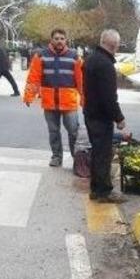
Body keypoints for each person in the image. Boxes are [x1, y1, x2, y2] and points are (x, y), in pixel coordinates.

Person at [24, 28, 84, 168]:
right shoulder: (41, 56)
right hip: (49, 102)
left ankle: (77, 158)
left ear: (66, 40)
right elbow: (34, 78)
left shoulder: (74, 56)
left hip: (68, 102)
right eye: (56, 38)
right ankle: (57, 157)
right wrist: (29, 95)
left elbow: (81, 80)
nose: (59, 41)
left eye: (62, 38)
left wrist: (84, 98)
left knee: (74, 131)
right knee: (53, 131)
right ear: (51, 40)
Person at [83, 29, 128, 203]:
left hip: (91, 112)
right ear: (114, 45)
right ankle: (104, 192)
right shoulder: (105, 65)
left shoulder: (91, 59)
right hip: (101, 117)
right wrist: (119, 118)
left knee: (97, 153)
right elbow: (108, 97)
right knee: (103, 154)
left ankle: (96, 189)